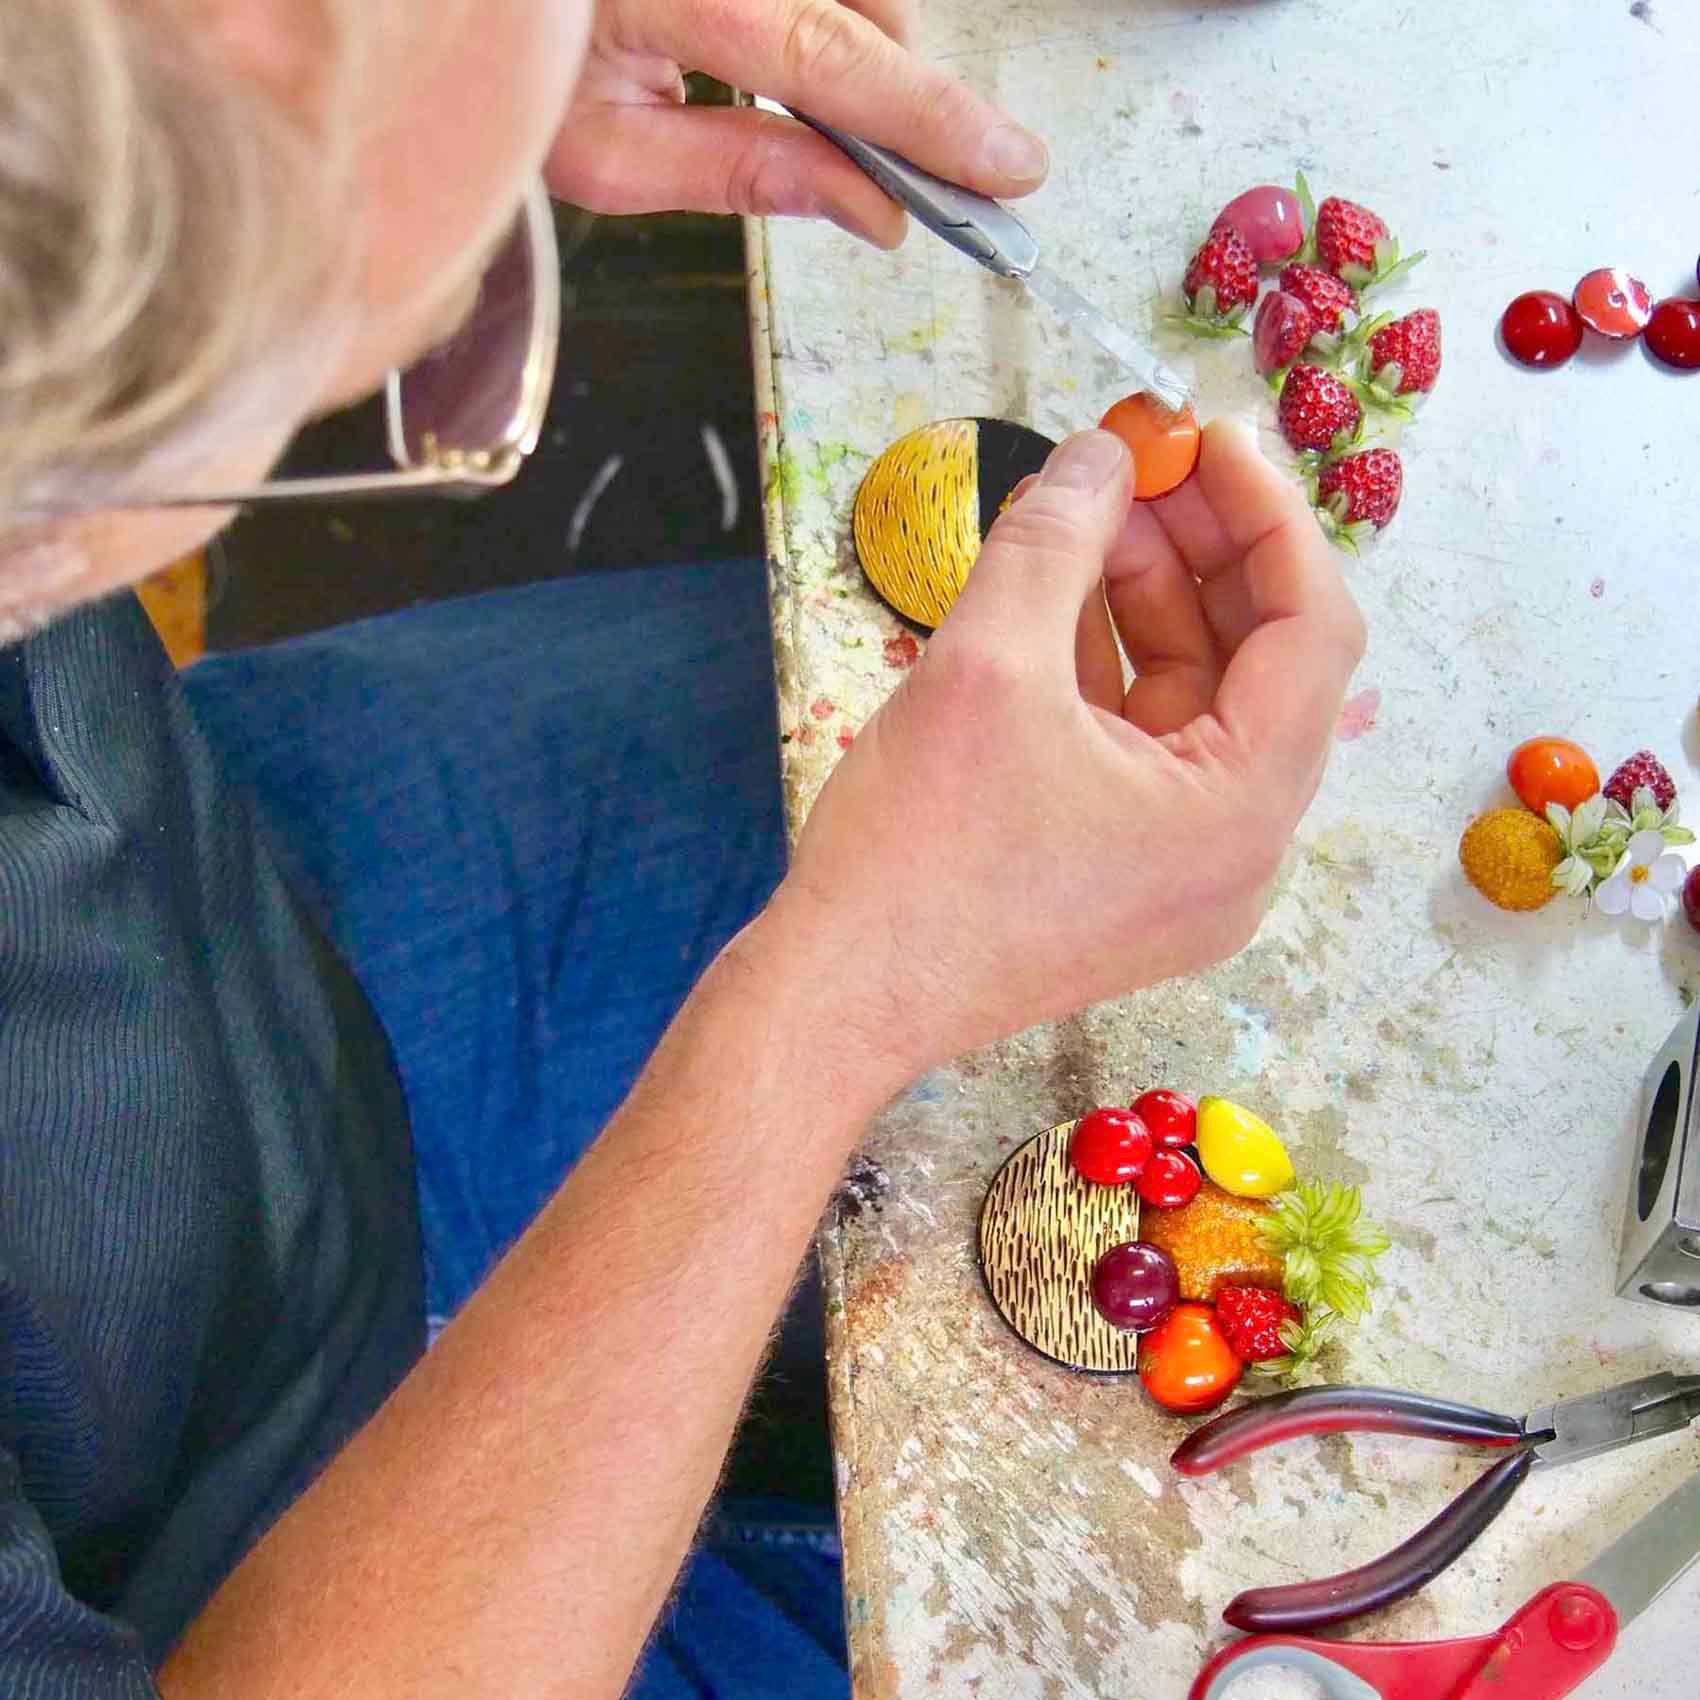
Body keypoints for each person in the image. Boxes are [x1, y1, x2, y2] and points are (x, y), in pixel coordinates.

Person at [0, 3, 1366, 1697]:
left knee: (806, 686)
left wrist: (445, 71)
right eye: (427, 335)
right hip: (225, 1574)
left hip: (223, 895)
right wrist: (839, 1002)